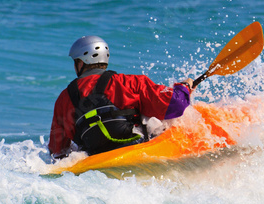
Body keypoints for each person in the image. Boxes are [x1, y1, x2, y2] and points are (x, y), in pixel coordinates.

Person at [48, 35, 196, 159]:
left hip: (95, 161)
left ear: (80, 63)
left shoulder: (64, 98)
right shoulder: (130, 83)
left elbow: (57, 150)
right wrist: (184, 88)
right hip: (135, 153)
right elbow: (174, 106)